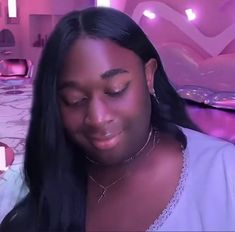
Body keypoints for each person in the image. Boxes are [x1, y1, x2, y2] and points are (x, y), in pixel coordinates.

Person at [1, 7, 235, 232]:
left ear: (149, 76)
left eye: (115, 90)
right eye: (75, 99)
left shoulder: (224, 173)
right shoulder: (31, 183)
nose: (98, 118)